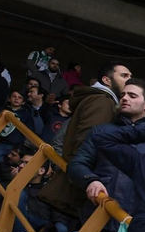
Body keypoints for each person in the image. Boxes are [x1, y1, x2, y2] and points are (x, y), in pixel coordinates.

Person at [40, 61, 132, 217]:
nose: (129, 80)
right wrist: (86, 175)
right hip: (81, 185)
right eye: (124, 76)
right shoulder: (102, 101)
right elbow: (89, 140)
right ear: (106, 80)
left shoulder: (100, 100)